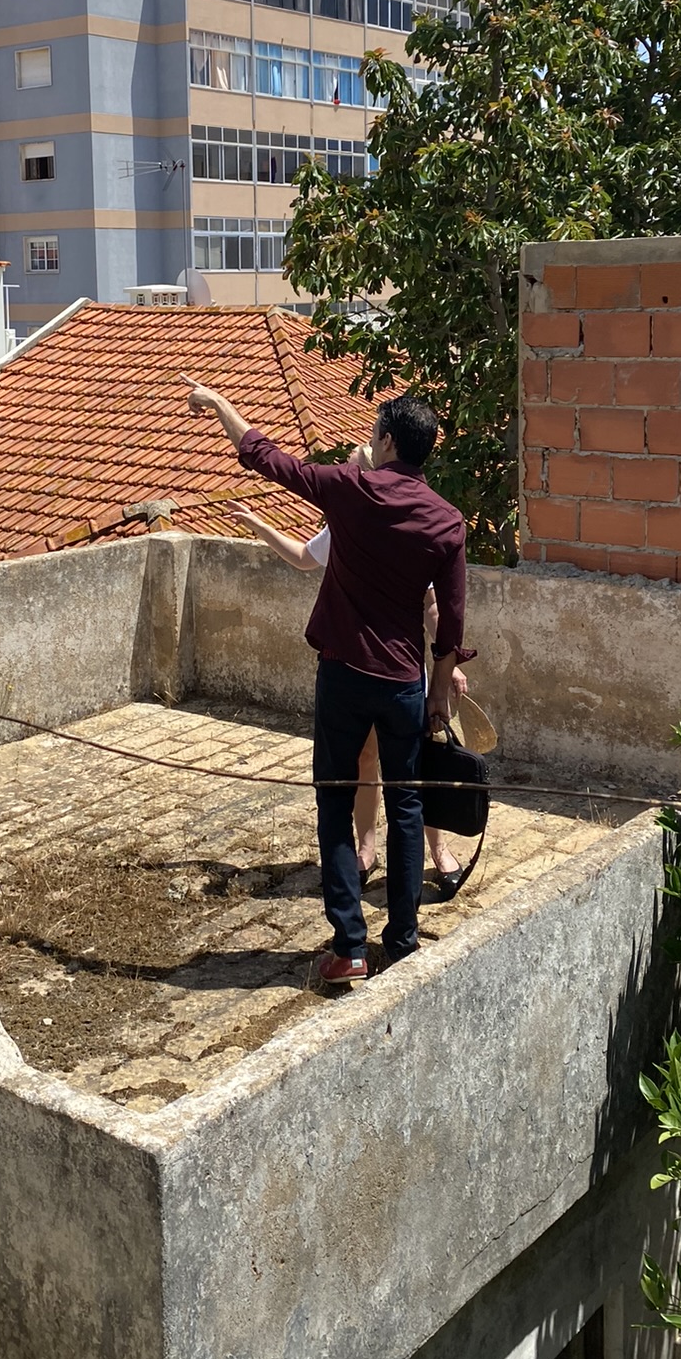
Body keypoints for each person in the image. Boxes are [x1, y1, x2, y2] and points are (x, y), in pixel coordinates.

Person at [185, 378, 471, 985]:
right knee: (408, 805)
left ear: (388, 441)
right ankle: (403, 939)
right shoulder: (448, 522)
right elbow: (449, 625)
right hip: (404, 684)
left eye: (375, 432)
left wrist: (222, 408)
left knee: (335, 802)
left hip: (343, 675)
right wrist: (439, 696)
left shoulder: (351, 489)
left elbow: (270, 459)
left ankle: (350, 949)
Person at [226, 489, 474, 899]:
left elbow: (434, 606)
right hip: (354, 668)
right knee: (364, 760)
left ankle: (438, 850)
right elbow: (304, 557)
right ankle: (366, 848)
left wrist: (450, 664)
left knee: (419, 766)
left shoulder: (410, 527)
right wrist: (258, 524)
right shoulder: (347, 521)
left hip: (404, 667)